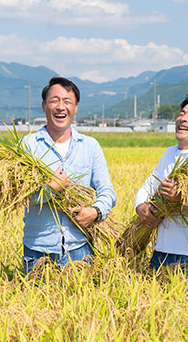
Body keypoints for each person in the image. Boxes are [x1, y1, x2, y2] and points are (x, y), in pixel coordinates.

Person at [20, 76, 116, 274]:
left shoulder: (90, 146)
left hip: (80, 247)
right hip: (38, 249)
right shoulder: (28, 145)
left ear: (76, 107)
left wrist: (95, 212)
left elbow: (107, 191)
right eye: (54, 101)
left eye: (67, 101)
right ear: (44, 105)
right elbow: (17, 197)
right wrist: (49, 189)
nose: (60, 107)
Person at [134, 91, 188, 279]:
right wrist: (141, 207)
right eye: (182, 113)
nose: (183, 118)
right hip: (161, 252)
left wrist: (182, 197)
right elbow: (149, 186)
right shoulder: (169, 153)